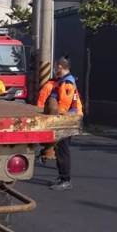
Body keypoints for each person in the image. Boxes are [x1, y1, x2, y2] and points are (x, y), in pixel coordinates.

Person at [37, 57, 83, 191]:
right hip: (64, 119)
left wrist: (57, 116)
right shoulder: (63, 81)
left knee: (63, 150)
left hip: (66, 120)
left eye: (56, 67)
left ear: (61, 67)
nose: (55, 69)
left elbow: (65, 105)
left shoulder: (67, 83)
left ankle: (65, 180)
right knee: (59, 149)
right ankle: (61, 177)